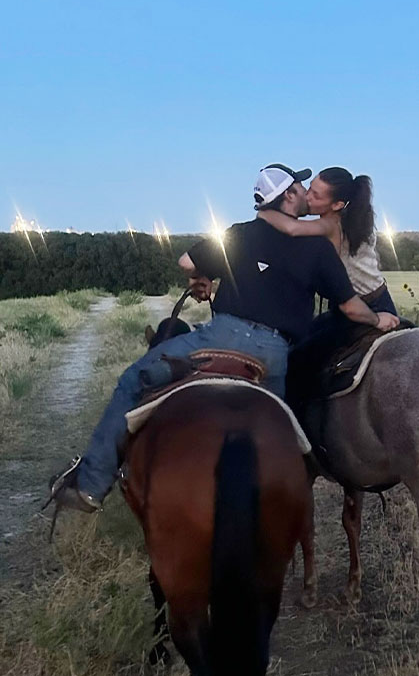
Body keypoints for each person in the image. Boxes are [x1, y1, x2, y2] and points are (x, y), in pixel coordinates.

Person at [48, 163, 400, 513]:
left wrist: (202, 277)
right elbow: (349, 306)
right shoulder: (318, 248)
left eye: (314, 191)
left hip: (220, 336)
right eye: (302, 187)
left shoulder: (239, 234)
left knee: (133, 380)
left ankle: (91, 484)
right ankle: (293, 486)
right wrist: (377, 318)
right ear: (290, 195)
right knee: (285, 426)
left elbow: (187, 261)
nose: (307, 193)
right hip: (275, 353)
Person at [258, 166, 398, 315]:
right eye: (310, 188)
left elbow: (292, 228)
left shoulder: (331, 224)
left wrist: (263, 211)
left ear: (337, 205)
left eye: (316, 196)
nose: (307, 196)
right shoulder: (351, 220)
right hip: (372, 297)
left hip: (367, 304)